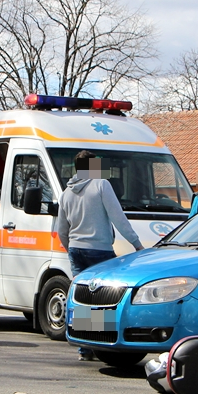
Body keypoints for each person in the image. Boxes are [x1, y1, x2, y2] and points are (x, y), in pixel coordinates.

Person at [57, 151, 145, 360]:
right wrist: (137, 244)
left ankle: (84, 348)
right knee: (104, 299)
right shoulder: (101, 185)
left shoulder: (66, 193)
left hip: (76, 250)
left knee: (83, 299)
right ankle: (102, 345)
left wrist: (71, 248)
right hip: (100, 250)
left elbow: (61, 230)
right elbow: (118, 218)